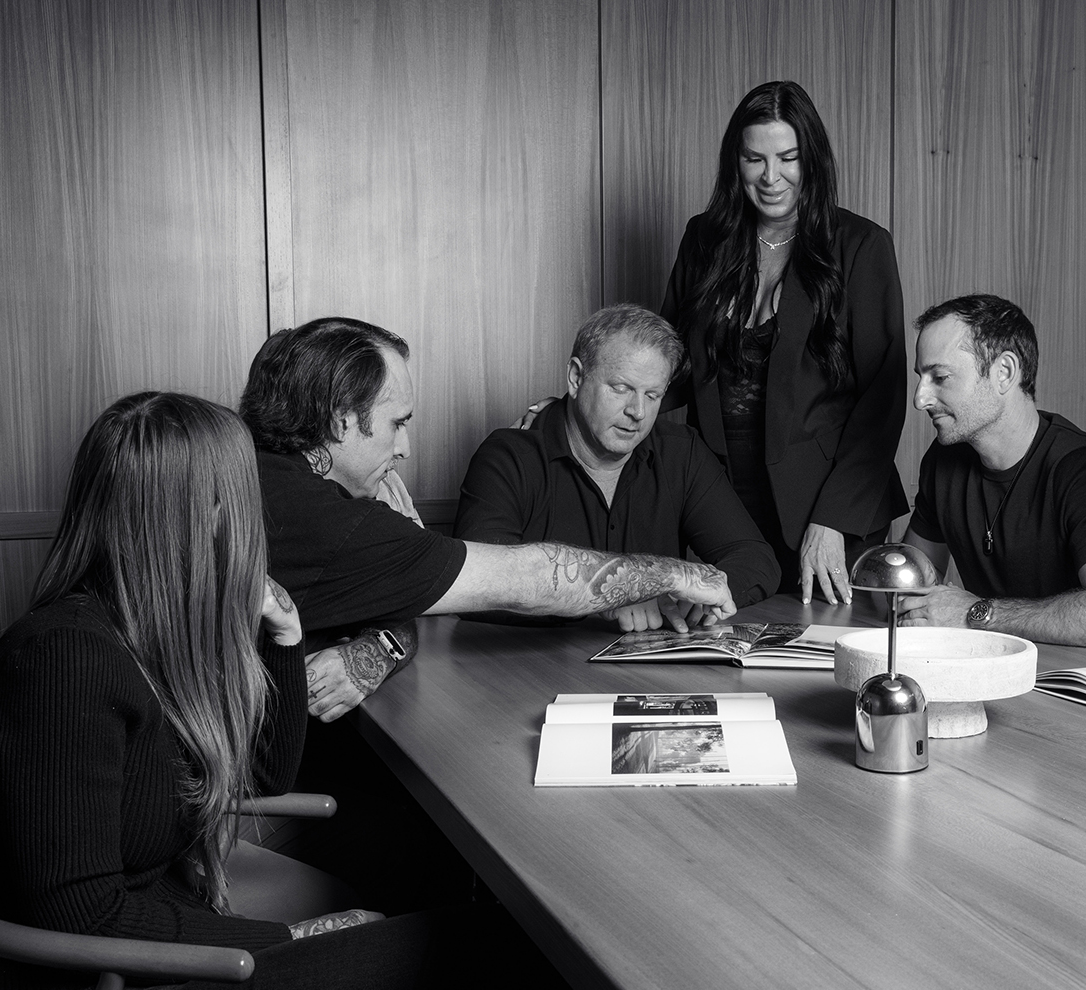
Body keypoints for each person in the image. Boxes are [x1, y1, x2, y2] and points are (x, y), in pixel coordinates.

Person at [0, 393, 551, 990]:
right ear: (201, 515)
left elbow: (264, 773)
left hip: (165, 912)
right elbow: (84, 915)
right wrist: (292, 939)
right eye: (242, 496)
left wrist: (286, 635)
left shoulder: (147, 630)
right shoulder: (62, 661)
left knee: (425, 865)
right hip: (101, 986)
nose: (254, 516)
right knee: (499, 948)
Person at [238, 315, 737, 914]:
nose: (405, 447)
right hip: (225, 816)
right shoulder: (320, 518)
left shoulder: (279, 479)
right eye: (397, 423)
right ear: (341, 420)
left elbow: (407, 600)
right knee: (466, 866)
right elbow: (521, 580)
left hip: (254, 781)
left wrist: (378, 646)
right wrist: (677, 574)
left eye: (652, 395)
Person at [658, 80, 911, 604]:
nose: (771, 177)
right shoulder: (704, 239)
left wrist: (833, 519)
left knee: (823, 645)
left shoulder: (861, 246)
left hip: (828, 513)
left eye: (788, 158)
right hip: (724, 508)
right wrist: (582, 404)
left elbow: (881, 404)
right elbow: (667, 365)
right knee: (724, 639)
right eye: (755, 159)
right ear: (736, 163)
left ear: (812, 159)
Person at [456, 304, 780, 631]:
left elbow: (755, 558)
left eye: (652, 395)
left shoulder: (681, 453)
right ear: (576, 378)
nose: (638, 412)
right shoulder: (508, 458)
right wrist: (614, 594)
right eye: (621, 389)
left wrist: (699, 593)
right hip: (533, 661)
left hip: (655, 663)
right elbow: (479, 581)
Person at [899, 294, 1086, 650]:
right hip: (998, 663)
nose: (919, 399)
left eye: (940, 377)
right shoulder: (943, 459)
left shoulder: (1082, 467)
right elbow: (912, 580)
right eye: (921, 378)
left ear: (1004, 372)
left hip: (1085, 674)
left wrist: (974, 613)